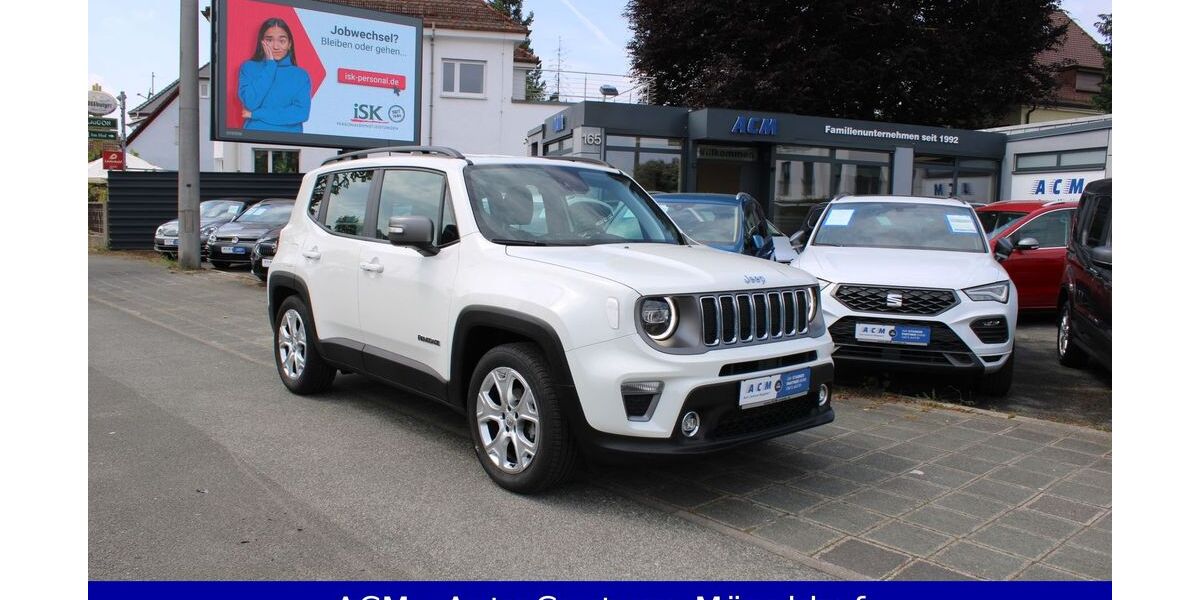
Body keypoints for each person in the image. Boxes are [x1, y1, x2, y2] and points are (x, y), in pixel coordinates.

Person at [238, 18, 311, 132]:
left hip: (290, 141)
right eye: (269, 40)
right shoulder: (249, 67)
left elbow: (300, 113)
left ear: (289, 44)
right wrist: (270, 66)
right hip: (254, 137)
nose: (276, 47)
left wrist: (256, 114)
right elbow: (250, 102)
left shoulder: (301, 75)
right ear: (262, 42)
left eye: (282, 41)